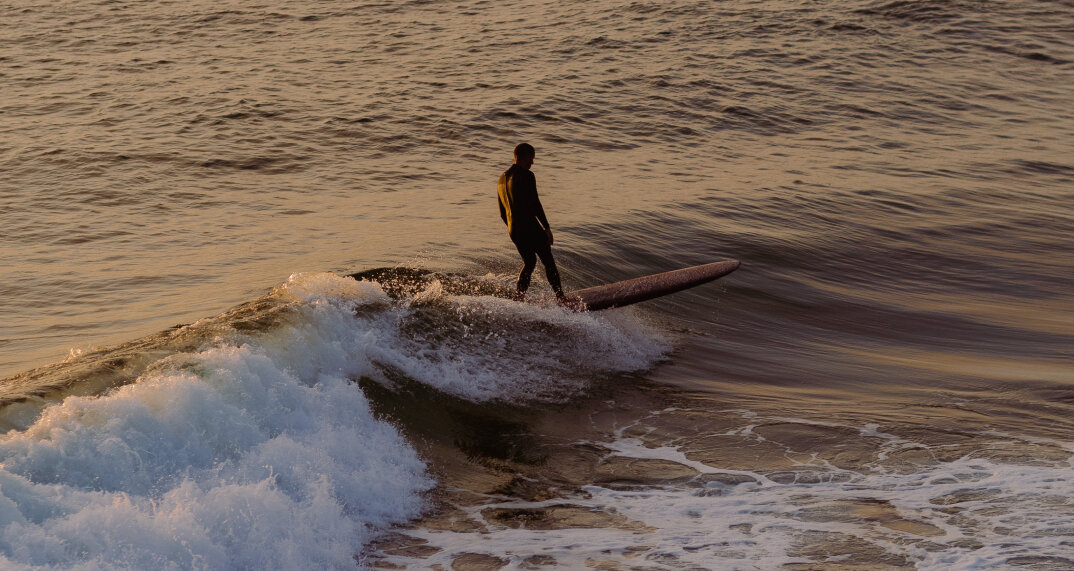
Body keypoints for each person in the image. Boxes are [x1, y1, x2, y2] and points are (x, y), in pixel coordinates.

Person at [498, 143, 565, 300]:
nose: (532, 163)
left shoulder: (501, 179)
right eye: (531, 159)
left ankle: (519, 297)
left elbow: (502, 213)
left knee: (529, 262)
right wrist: (546, 227)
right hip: (528, 225)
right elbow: (535, 203)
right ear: (524, 157)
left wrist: (514, 228)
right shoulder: (527, 175)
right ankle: (561, 297)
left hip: (513, 230)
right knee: (548, 261)